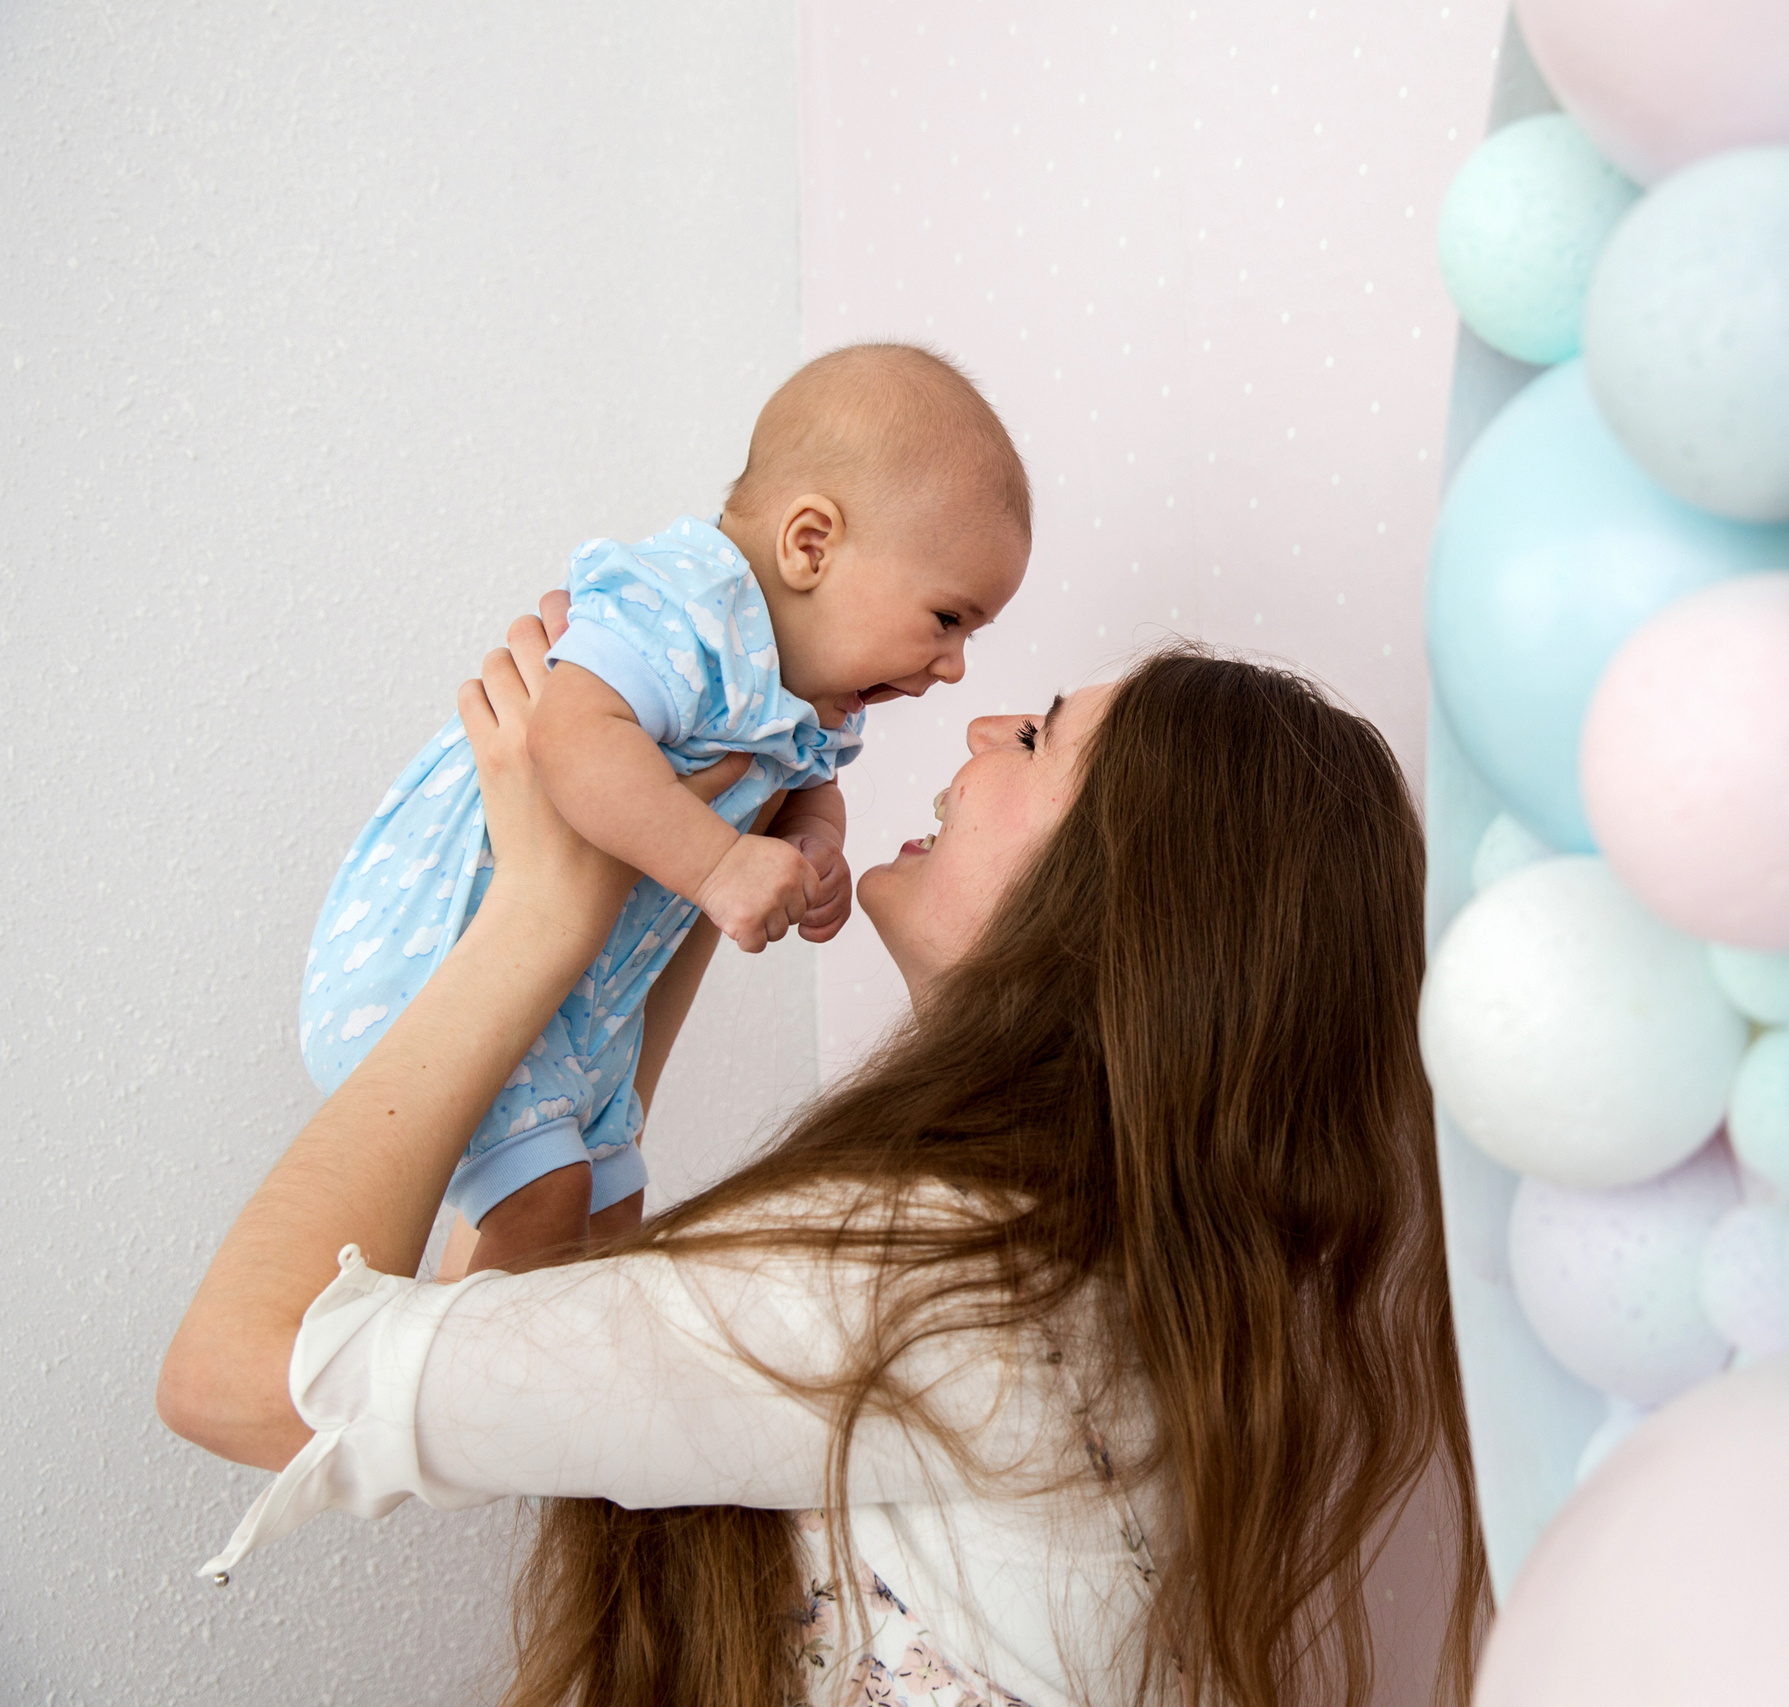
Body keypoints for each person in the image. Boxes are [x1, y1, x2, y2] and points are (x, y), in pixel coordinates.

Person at [159, 609, 1489, 1707]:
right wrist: (666, 890)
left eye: (1035, 735)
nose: (974, 722)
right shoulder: (1079, 1278)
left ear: (1134, 899)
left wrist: (534, 917)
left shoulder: (934, 1292)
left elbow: (242, 1371)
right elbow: (553, 1312)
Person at [299, 344, 1033, 1275]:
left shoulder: (813, 696)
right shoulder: (686, 604)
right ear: (810, 545)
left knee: (615, 1217)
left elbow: (808, 784)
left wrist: (815, 844)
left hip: (582, 1008)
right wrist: (721, 866)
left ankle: (527, 1399)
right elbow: (570, 738)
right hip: (439, 960)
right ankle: (465, 1404)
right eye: (947, 619)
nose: (955, 664)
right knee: (544, 1207)